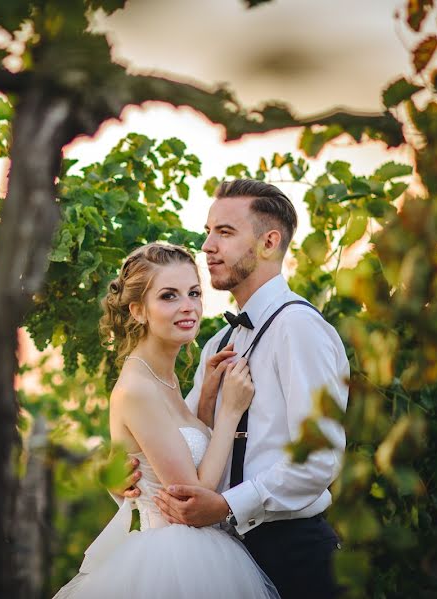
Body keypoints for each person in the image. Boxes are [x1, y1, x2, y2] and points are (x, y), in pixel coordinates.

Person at [133, 179, 350, 598]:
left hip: (295, 554)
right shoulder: (217, 343)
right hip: (222, 557)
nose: (208, 246)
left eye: (225, 233)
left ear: (269, 242)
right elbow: (187, 448)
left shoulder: (299, 328)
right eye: (208, 231)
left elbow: (319, 458)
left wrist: (231, 506)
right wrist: (136, 472)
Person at [54, 242, 280, 599]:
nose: (187, 306)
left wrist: (205, 398)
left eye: (193, 293)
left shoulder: (165, 377)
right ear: (138, 311)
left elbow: (187, 450)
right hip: (169, 559)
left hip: (197, 550)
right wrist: (230, 412)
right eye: (169, 296)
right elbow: (194, 495)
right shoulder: (138, 389)